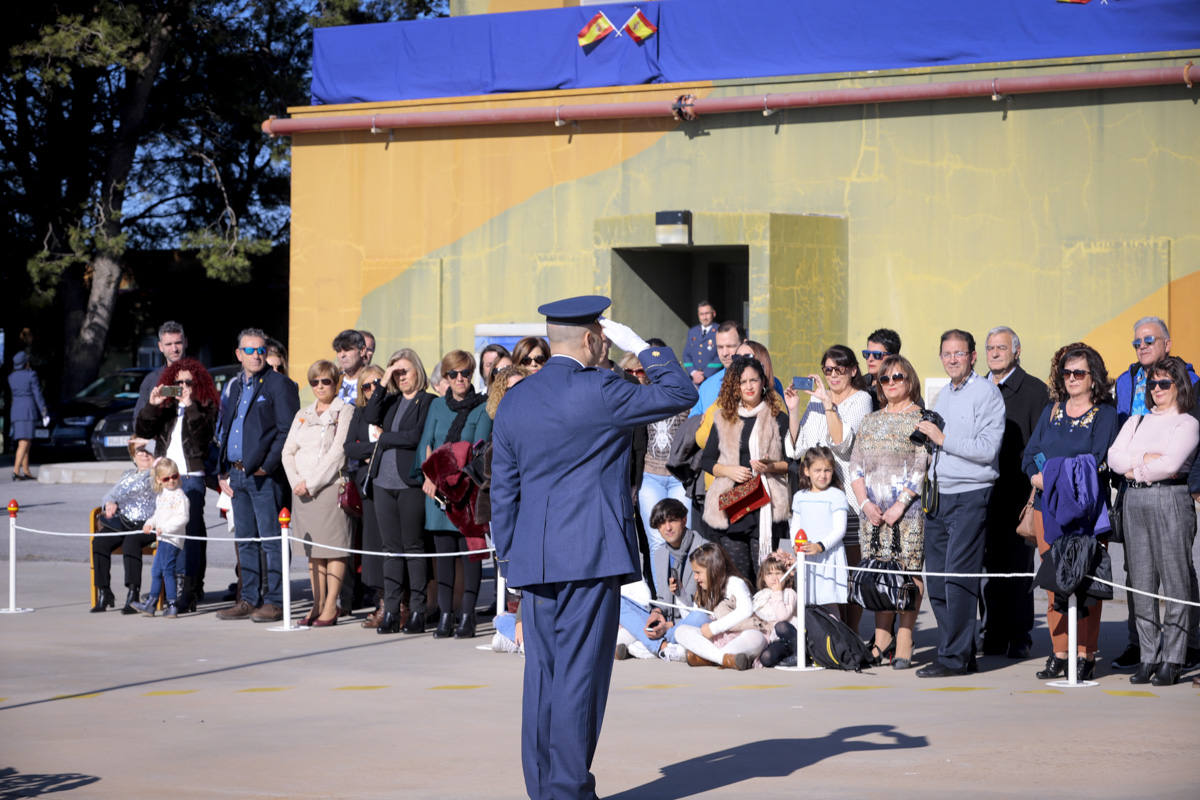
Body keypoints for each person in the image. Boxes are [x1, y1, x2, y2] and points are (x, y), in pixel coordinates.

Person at [490, 295, 696, 800]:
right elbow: (681, 392)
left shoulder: (516, 397)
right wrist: (642, 347)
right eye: (603, 338)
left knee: (543, 676)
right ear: (592, 339)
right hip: (589, 553)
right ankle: (568, 790)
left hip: (534, 558)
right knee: (581, 676)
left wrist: (511, 557)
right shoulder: (602, 388)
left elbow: (504, 487)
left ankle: (544, 788)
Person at [1021, 342, 1119, 681]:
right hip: (1048, 508)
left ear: (1093, 378)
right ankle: (1059, 652)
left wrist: (1050, 473)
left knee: (1086, 582)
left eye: (1079, 373)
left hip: (1087, 510)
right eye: (1067, 373)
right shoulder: (1053, 410)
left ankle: (1085, 654)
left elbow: (1095, 457)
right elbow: (1031, 453)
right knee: (1054, 582)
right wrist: (1039, 475)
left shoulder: (1105, 413)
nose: (1072, 378)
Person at [1109, 316, 1200, 671]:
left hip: (1172, 496)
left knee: (1177, 577)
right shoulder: (1134, 406)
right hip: (1133, 497)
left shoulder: (1188, 413)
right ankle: (1146, 651)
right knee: (1140, 578)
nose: (1158, 388)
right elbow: (1115, 455)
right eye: (1154, 383)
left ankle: (1180, 652)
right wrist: (1140, 464)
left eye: (1164, 382)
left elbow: (1175, 461)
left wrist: (1141, 467)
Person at [914, 330, 1005, 678]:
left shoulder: (987, 394)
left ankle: (954, 659)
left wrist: (943, 438)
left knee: (958, 577)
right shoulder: (943, 395)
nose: (953, 359)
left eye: (959, 353)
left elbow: (986, 450)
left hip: (970, 495)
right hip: (939, 494)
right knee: (936, 579)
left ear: (972, 357)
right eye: (947, 354)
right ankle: (958, 651)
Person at [845, 355, 929, 669]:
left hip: (906, 512)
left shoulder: (921, 418)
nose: (891, 383)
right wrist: (865, 503)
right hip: (873, 512)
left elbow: (922, 465)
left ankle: (905, 636)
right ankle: (882, 637)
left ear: (911, 381)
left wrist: (899, 504)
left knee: (907, 572)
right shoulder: (871, 420)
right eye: (885, 379)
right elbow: (855, 465)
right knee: (879, 572)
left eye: (898, 377)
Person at [784, 344, 873, 629]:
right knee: (825, 571)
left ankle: (852, 632)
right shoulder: (815, 401)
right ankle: (832, 633)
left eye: (840, 369)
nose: (834, 375)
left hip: (847, 496)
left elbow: (843, 444)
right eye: (828, 370)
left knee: (850, 567)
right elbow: (798, 450)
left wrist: (827, 404)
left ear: (853, 371)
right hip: (814, 497)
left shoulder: (861, 399)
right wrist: (794, 410)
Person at [215, 328, 301, 622]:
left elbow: (288, 430)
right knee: (245, 540)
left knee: (271, 540)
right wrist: (222, 470)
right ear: (239, 354)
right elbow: (227, 428)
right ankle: (249, 598)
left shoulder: (280, 385)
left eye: (261, 349)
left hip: (264, 475)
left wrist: (268, 464)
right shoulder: (236, 386)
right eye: (249, 350)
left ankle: (276, 600)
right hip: (237, 474)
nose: (256, 355)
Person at [979, 326, 1049, 660]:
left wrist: (1036, 493)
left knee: (1018, 567)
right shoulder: (976, 388)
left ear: (1016, 351)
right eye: (990, 347)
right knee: (989, 569)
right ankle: (992, 630)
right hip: (981, 492)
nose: (994, 353)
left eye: (1001, 347)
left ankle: (1019, 635)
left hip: (1019, 493)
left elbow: (1041, 448)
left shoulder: (1035, 391)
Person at [416, 349, 492, 638]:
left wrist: (440, 476)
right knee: (443, 558)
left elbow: (476, 451)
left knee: (470, 557)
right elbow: (426, 445)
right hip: (435, 494)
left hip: (467, 493)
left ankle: (467, 615)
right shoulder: (437, 407)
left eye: (465, 373)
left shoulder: (482, 407)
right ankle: (446, 615)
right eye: (453, 374)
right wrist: (427, 475)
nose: (460, 379)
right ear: (445, 377)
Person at [135, 357, 219, 613]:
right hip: (165, 476)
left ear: (198, 383)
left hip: (190, 476)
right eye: (177, 382)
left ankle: (187, 592)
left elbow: (203, 438)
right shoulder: (167, 408)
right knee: (168, 532)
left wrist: (190, 405)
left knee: (188, 534)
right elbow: (143, 430)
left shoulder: (205, 406)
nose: (182, 386)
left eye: (188, 382)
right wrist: (152, 406)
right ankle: (167, 592)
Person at [699, 356, 789, 586]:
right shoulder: (723, 417)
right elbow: (707, 460)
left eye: (754, 380)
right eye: (743, 382)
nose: (749, 386)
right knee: (738, 581)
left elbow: (791, 463)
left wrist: (770, 467)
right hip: (733, 506)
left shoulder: (778, 417)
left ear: (763, 383)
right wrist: (729, 471)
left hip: (766, 505)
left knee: (768, 580)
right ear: (735, 387)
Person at [281, 360, 355, 626]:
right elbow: (287, 451)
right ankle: (317, 603)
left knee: (332, 549)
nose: (321, 386)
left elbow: (338, 453)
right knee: (313, 552)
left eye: (326, 381)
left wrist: (310, 483)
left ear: (335, 384)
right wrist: (296, 482)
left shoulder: (344, 411)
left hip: (328, 487)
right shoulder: (302, 413)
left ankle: (331, 606)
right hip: (301, 490)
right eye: (315, 382)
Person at [366, 349, 434, 634]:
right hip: (384, 483)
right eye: (397, 372)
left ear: (417, 370)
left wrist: (385, 438)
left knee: (413, 548)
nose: (402, 376)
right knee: (390, 551)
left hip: (410, 484)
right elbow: (370, 415)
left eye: (405, 370)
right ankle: (392, 610)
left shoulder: (428, 401)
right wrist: (383, 382)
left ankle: (417, 609)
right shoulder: (391, 401)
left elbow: (416, 436)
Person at [620, 351, 690, 589]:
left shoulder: (684, 396)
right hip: (651, 476)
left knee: (683, 536)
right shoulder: (644, 397)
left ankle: (686, 596)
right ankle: (661, 601)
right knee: (656, 540)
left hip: (679, 476)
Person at [621, 498, 712, 662]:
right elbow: (663, 599)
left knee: (701, 617)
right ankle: (663, 647)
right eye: (662, 524)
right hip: (668, 622)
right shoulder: (660, 553)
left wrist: (667, 627)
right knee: (620, 602)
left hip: (691, 619)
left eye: (672, 521)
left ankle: (652, 644)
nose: (667, 528)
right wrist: (656, 613)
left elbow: (708, 605)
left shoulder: (705, 550)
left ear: (684, 520)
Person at [672, 542, 764, 670]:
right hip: (718, 641)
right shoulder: (704, 590)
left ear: (713, 569)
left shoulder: (735, 582)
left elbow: (746, 610)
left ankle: (708, 658)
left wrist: (713, 628)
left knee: (755, 638)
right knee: (680, 631)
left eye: (698, 572)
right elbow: (690, 616)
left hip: (743, 634)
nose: (695, 578)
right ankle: (724, 659)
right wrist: (680, 595)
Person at [91, 442, 158, 613]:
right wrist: (109, 502)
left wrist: (150, 451)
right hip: (123, 522)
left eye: (147, 452)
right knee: (100, 542)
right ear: (133, 456)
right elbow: (110, 494)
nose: (143, 454)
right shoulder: (127, 473)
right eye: (139, 452)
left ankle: (133, 592)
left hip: (146, 524)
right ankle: (104, 591)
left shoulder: (156, 474)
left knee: (131, 542)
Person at [344, 365, 385, 627]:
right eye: (366, 386)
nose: (371, 390)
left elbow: (397, 440)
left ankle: (394, 604)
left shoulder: (391, 409)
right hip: (367, 488)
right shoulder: (359, 414)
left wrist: (373, 450)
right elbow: (349, 447)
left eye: (376, 384)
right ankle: (381, 600)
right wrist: (374, 448)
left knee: (390, 545)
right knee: (372, 547)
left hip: (391, 485)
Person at [790, 446, 850, 615]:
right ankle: (811, 640)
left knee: (829, 603)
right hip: (806, 557)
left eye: (827, 470)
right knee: (807, 603)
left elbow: (840, 529)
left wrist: (820, 546)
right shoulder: (800, 496)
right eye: (817, 470)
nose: (822, 475)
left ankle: (835, 639)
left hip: (828, 556)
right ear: (806, 471)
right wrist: (797, 544)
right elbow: (796, 525)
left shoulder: (837, 495)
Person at [130, 458, 188, 618]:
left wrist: (166, 529)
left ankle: (171, 604)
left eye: (174, 476)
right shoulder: (162, 495)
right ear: (159, 480)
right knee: (156, 571)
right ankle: (152, 603)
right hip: (162, 538)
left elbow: (183, 518)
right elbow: (157, 515)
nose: (171, 481)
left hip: (172, 539)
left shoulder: (179, 496)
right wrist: (150, 524)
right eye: (166, 478)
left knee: (168, 571)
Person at [753, 550, 800, 667]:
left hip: (792, 635)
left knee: (781, 626)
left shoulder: (789, 593)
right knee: (766, 658)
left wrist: (777, 592)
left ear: (786, 574)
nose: (774, 578)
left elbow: (782, 616)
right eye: (769, 574)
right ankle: (787, 656)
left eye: (778, 573)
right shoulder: (761, 595)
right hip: (776, 640)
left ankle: (800, 653)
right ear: (763, 577)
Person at [689, 321, 745, 417]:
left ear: (744, 344)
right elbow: (692, 424)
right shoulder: (706, 387)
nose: (724, 353)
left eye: (730, 346)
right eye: (720, 347)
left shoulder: (763, 382)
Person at [7, 351, 48, 481]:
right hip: (28, 411)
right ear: (26, 363)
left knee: (25, 441)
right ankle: (16, 470)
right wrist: (44, 411)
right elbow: (37, 394)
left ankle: (26, 470)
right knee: (24, 442)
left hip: (16, 411)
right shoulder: (31, 375)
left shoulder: (11, 377)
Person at [134, 321, 187, 419]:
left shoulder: (200, 376)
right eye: (168, 344)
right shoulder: (151, 380)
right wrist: (152, 407)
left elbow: (212, 419)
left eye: (178, 343)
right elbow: (138, 421)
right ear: (160, 347)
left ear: (186, 343)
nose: (174, 349)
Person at [682, 300, 720, 386]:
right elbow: (686, 355)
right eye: (701, 314)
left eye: (707, 313)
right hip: (694, 380)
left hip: (712, 379)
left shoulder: (720, 331)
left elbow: (721, 356)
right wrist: (693, 372)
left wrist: (705, 374)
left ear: (713, 314)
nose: (704, 317)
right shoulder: (693, 332)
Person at [333, 329, 368, 404]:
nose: (342, 355)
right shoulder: (333, 381)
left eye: (347, 350)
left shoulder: (372, 382)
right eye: (338, 351)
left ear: (362, 351)